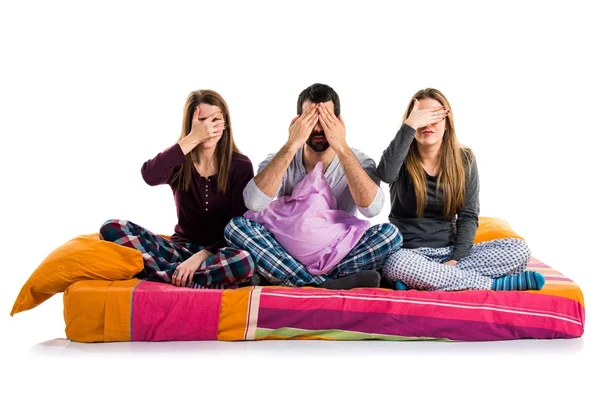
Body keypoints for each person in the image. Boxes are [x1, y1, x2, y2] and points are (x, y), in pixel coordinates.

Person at [224, 83, 402, 289]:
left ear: (339, 122)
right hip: (284, 252)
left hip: (337, 254)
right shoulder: (281, 157)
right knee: (235, 227)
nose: (318, 128)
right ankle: (325, 284)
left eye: (325, 120)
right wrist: (292, 144)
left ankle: (289, 280)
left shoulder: (359, 161)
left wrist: (341, 146)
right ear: (297, 122)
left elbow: (372, 209)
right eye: (311, 120)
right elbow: (254, 203)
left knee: (391, 235)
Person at [377, 88, 545, 291]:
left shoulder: (464, 159)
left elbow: (468, 215)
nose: (427, 124)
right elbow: (385, 175)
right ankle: (493, 285)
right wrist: (410, 125)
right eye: (421, 117)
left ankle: (428, 280)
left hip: (449, 253)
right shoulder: (400, 155)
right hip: (408, 254)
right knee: (397, 265)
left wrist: (456, 259)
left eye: (436, 116)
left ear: (447, 123)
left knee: (518, 250)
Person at [100, 89, 255, 289]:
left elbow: (239, 225)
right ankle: (181, 277)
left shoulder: (240, 165)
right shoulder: (179, 159)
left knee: (244, 261)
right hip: (178, 250)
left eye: (214, 120)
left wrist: (199, 258)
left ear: (225, 123)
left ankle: (167, 276)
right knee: (111, 228)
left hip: (216, 254)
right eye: (201, 121)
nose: (208, 128)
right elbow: (150, 175)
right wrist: (193, 138)